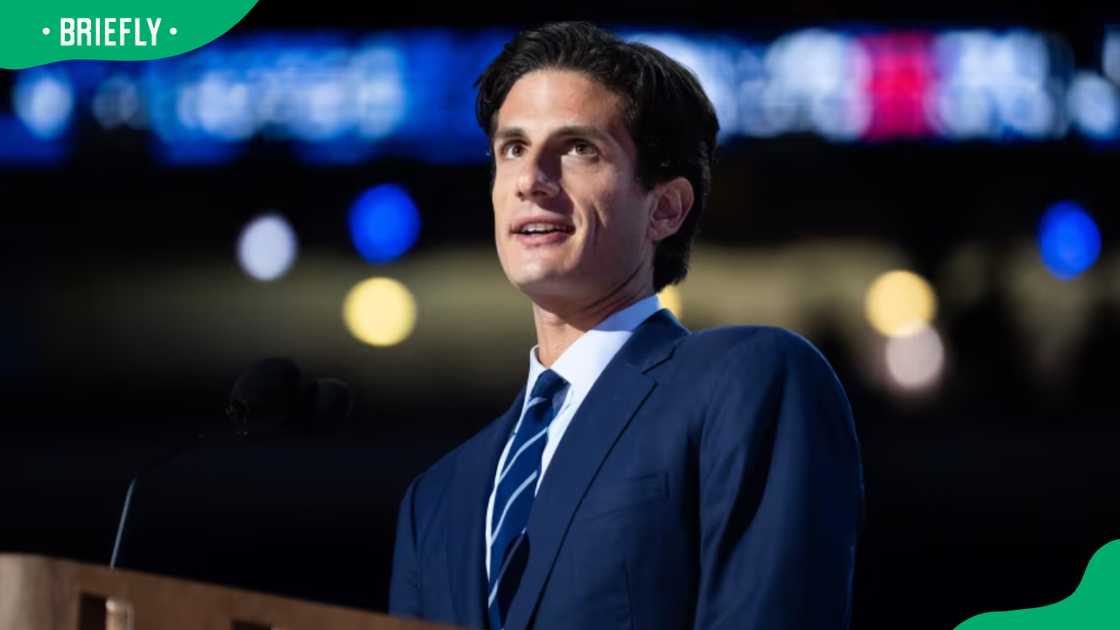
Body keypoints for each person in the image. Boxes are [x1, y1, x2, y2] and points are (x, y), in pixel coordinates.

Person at [389, 21, 864, 630]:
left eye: (579, 148)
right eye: (512, 148)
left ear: (665, 208)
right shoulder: (434, 497)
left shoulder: (746, 380)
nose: (532, 180)